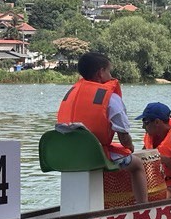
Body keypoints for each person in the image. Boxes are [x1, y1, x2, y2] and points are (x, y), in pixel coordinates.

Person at [55, 51, 148, 203]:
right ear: (101, 72)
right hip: (94, 155)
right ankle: (142, 209)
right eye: (109, 71)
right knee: (137, 164)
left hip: (68, 154)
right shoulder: (110, 98)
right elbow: (124, 137)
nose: (111, 76)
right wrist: (130, 147)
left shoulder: (71, 93)